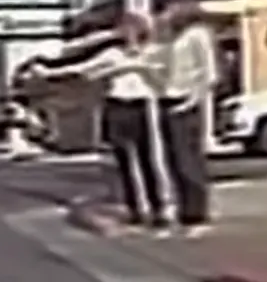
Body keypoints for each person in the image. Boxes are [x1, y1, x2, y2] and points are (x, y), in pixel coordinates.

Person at [26, 12, 166, 232]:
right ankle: (135, 208)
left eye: (134, 31)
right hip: (116, 105)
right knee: (124, 161)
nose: (129, 35)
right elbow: (85, 68)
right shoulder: (112, 54)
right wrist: (50, 72)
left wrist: (136, 67)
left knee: (147, 158)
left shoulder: (152, 54)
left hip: (140, 105)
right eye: (125, 31)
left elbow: (160, 78)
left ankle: (158, 209)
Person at [156, 0, 219, 236]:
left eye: (171, 10)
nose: (167, 14)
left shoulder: (198, 35)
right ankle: (182, 211)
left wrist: (195, 99)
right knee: (171, 160)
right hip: (168, 98)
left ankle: (197, 215)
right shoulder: (170, 37)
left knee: (189, 161)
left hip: (187, 101)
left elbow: (208, 73)